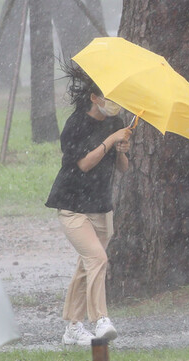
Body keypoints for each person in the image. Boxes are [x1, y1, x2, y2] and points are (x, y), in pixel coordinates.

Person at [45, 63, 132, 346]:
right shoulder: (75, 125)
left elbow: (122, 168)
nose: (114, 104)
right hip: (72, 205)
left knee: (87, 266)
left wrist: (121, 151)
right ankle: (100, 319)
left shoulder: (116, 123)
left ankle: (72, 327)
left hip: (101, 206)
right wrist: (109, 141)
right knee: (97, 259)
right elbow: (83, 164)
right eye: (109, 96)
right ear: (95, 97)